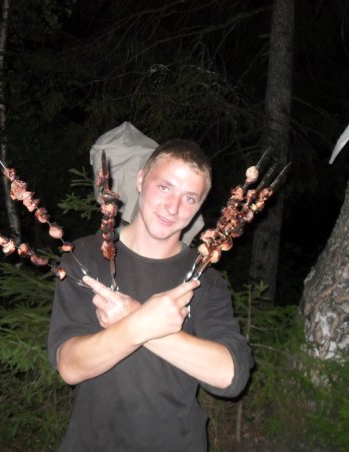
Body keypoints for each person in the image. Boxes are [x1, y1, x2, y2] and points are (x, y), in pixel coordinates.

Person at [48, 138, 253, 451]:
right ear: (141, 179)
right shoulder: (85, 257)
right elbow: (70, 366)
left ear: (200, 205)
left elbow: (230, 376)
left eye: (189, 198)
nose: (173, 207)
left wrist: (133, 317)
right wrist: (141, 324)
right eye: (165, 187)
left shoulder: (204, 280)